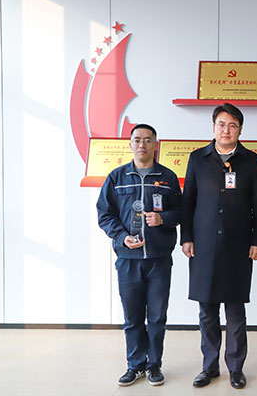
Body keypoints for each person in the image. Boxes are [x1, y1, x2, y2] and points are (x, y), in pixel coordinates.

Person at [181, 103, 257, 389]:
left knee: (235, 311)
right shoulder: (198, 159)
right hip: (203, 246)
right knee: (207, 311)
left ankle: (235, 368)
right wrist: (186, 237)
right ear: (213, 127)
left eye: (232, 125)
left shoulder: (252, 162)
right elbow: (188, 202)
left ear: (240, 129)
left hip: (238, 246)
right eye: (221, 124)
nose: (226, 130)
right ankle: (209, 367)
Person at [97, 124, 182, 387]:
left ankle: (154, 365)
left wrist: (162, 218)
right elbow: (105, 214)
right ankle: (135, 365)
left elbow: (181, 212)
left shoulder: (167, 177)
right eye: (137, 140)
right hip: (128, 260)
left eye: (147, 140)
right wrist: (122, 237)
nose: (142, 144)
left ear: (156, 144)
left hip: (159, 259)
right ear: (130, 144)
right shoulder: (117, 177)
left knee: (157, 317)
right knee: (132, 317)